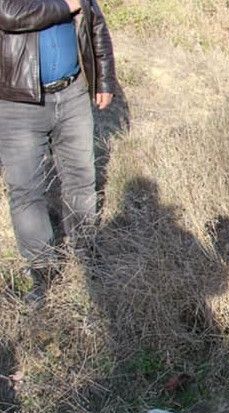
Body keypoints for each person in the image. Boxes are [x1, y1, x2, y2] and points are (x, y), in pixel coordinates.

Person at [0, 0, 116, 303]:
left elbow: (95, 22)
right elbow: (8, 14)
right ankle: (42, 270)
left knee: (81, 177)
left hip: (73, 92)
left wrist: (104, 79)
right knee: (27, 190)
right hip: (18, 102)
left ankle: (85, 249)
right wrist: (67, 5)